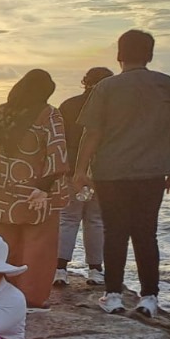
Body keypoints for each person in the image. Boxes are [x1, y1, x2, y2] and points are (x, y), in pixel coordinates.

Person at [73, 30, 170, 318]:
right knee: (146, 233)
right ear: (149, 54)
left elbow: (92, 133)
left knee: (115, 233)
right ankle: (149, 297)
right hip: (152, 172)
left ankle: (112, 295)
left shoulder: (106, 87)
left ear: (119, 55)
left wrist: (80, 170)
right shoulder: (166, 84)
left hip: (110, 172)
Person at [0, 69, 68, 309]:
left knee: (4, 247)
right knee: (37, 247)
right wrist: (45, 187)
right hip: (37, 192)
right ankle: (30, 299)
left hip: (2, 193)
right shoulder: (48, 114)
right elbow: (57, 151)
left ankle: (0, 296)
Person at [55, 67, 113, 287]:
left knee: (68, 218)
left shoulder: (68, 105)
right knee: (96, 220)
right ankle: (95, 270)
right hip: (102, 169)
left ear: (85, 82)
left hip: (70, 168)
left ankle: (60, 269)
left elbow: (59, 139)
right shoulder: (112, 107)